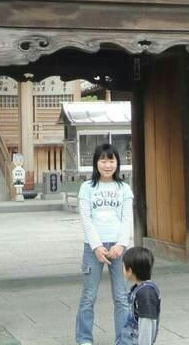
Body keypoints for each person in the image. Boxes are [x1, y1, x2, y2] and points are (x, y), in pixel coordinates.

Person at [76, 143, 134, 345]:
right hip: (93, 248)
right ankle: (84, 339)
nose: (107, 165)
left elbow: (127, 219)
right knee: (88, 296)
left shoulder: (124, 188)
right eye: (103, 160)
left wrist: (121, 244)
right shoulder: (87, 188)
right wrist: (96, 247)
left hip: (119, 248)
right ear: (96, 163)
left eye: (111, 160)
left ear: (118, 163)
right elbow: (86, 219)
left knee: (121, 297)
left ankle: (124, 340)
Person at [121, 246, 160, 345]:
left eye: (123, 266)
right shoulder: (139, 288)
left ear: (129, 270)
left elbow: (146, 325)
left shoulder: (146, 294)